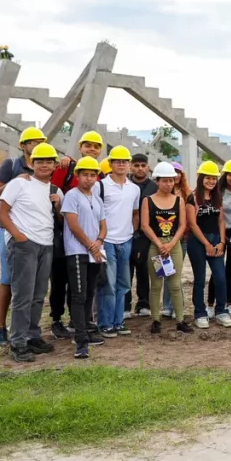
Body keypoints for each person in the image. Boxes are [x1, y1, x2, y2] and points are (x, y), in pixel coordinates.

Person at [0, 142, 63, 363]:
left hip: (46, 245)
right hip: (24, 245)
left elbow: (61, 221)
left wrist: (58, 207)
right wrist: (18, 236)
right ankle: (17, 342)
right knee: (23, 295)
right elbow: (2, 213)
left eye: (49, 161)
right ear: (31, 163)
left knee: (37, 295)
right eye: (40, 161)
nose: (44, 165)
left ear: (55, 165)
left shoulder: (55, 191)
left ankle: (33, 335)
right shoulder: (18, 184)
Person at [46, 130, 107, 341]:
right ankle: (57, 319)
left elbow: (99, 214)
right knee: (60, 279)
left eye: (96, 146)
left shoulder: (98, 178)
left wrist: (98, 241)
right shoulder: (68, 168)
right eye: (87, 145)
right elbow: (52, 189)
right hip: (65, 233)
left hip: (88, 240)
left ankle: (77, 321)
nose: (92, 149)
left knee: (81, 286)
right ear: (80, 147)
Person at [0, 126, 45, 347]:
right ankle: (1, 327)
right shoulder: (11, 165)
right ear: (23, 145)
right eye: (33, 142)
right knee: (9, 279)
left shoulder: (45, 166)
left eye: (41, 141)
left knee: (32, 284)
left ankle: (28, 330)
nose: (37, 145)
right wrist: (16, 182)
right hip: (12, 233)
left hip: (38, 234)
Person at [60, 156, 107, 358]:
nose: (89, 179)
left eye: (92, 175)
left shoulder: (96, 198)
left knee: (89, 293)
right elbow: (73, 225)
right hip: (77, 252)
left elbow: (103, 224)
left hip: (94, 252)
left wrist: (99, 241)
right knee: (78, 295)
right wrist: (91, 245)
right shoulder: (72, 196)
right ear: (77, 175)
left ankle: (87, 330)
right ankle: (80, 340)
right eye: (85, 175)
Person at [140, 162, 192, 335]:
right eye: (165, 181)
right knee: (156, 285)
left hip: (174, 246)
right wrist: (160, 244)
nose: (169, 184)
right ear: (158, 181)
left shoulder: (179, 200)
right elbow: (145, 225)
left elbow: (183, 225)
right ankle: (156, 320)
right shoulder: (148, 201)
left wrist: (170, 244)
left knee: (175, 284)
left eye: (171, 180)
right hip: (156, 245)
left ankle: (180, 320)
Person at [95, 145, 139, 339]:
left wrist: (131, 231)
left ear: (129, 165)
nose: (121, 164)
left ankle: (118, 321)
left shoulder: (134, 189)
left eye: (124, 161)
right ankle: (105, 323)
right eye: (117, 161)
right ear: (110, 163)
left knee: (124, 284)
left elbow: (135, 213)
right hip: (107, 241)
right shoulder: (100, 186)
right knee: (108, 285)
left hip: (126, 240)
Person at [186, 161, 231, 329]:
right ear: (201, 178)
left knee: (220, 277)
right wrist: (206, 244)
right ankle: (200, 313)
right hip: (198, 242)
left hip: (215, 240)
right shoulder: (192, 197)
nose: (211, 181)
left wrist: (221, 242)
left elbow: (220, 220)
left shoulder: (217, 197)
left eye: (214, 178)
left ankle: (221, 311)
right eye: (208, 178)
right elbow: (192, 224)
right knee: (200, 278)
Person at [209, 160, 231, 318]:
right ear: (225, 175)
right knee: (217, 270)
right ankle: (210, 304)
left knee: (230, 269)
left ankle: (227, 304)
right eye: (230, 174)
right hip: (220, 233)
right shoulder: (218, 191)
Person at [127, 153, 157, 318]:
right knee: (126, 271)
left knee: (144, 270)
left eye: (142, 165)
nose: (139, 168)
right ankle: (125, 305)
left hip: (147, 234)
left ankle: (143, 303)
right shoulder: (124, 184)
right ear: (131, 167)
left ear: (147, 167)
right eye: (136, 165)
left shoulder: (154, 186)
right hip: (125, 233)